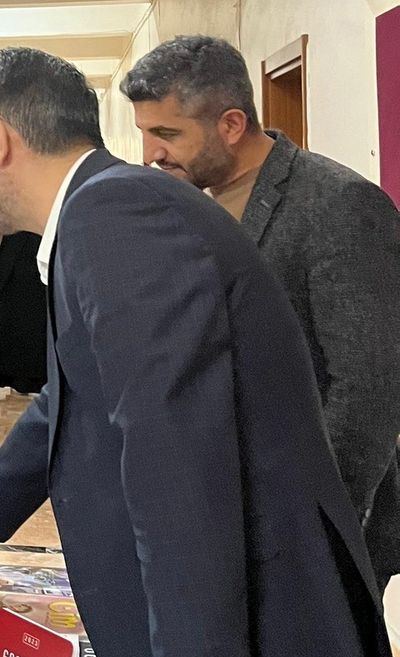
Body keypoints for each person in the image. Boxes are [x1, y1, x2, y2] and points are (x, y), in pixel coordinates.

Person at [0, 47, 400, 657]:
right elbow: (72, 394)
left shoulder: (116, 216)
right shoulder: (106, 209)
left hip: (258, 633)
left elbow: (179, 480)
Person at [121, 35, 400, 590]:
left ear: (230, 124)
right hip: (224, 511)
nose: (151, 152)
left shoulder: (338, 204)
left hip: (308, 527)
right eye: (146, 133)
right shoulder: (182, 198)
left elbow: (371, 384)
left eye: (168, 133)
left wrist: (315, 522)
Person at [0, 231, 46, 395]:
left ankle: (24, 380)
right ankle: (23, 380)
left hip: (25, 270)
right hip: (25, 271)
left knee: (25, 325)